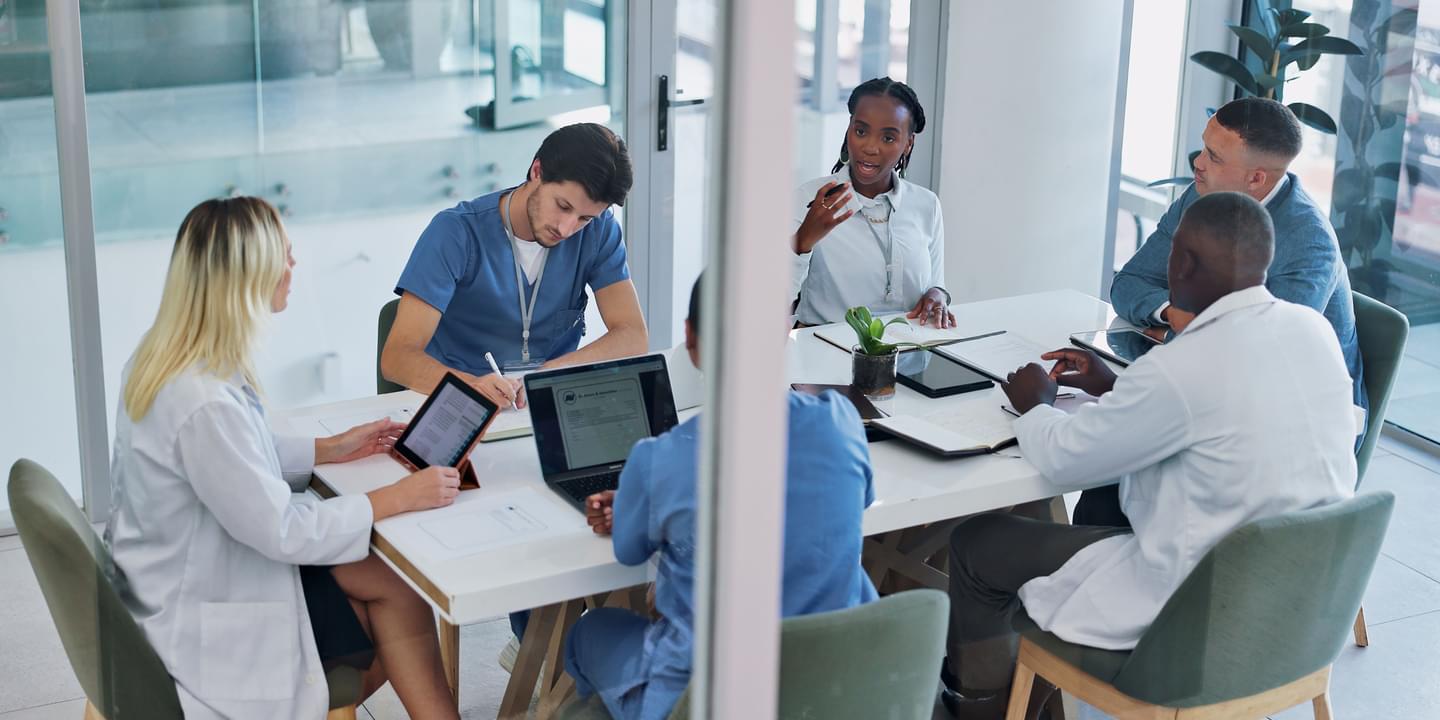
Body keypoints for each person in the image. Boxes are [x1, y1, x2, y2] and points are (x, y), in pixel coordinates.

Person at [939, 192, 1357, 719]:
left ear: (1178, 262)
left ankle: (974, 708)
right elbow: (1221, 412)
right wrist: (1120, 386)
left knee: (979, 544)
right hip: (1296, 614)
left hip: (1192, 627)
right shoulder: (1312, 330)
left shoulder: (1183, 366)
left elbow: (1066, 459)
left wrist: (1035, 405)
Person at [106, 198, 462, 719]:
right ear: (250, 276)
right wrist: (397, 496)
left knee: (394, 587)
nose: (294, 267)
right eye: (286, 256)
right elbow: (282, 531)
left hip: (182, 570)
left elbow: (233, 460)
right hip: (200, 609)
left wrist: (330, 448)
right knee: (392, 614)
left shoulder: (168, 356)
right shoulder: (202, 400)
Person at [563, 275, 878, 720]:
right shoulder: (839, 421)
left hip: (706, 696)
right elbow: (859, 501)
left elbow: (629, 551)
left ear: (689, 339)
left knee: (589, 631)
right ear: (784, 334)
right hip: (834, 681)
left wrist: (643, 497)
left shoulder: (659, 459)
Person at [1093, 96, 1364, 528]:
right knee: (1109, 463)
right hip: (1217, 391)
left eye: (1214, 157)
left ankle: (1124, 576)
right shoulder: (1204, 194)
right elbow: (1129, 284)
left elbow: (1261, 355)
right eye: (1204, 147)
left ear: (1257, 178)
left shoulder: (1308, 244)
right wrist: (1170, 315)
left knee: (1113, 468)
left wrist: (1181, 337)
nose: (1198, 163)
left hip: (1292, 431)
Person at [383, 122, 648, 411]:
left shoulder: (598, 231)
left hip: (547, 403)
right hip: (459, 403)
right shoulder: (455, 233)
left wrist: (549, 374)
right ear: (537, 171)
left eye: (584, 218)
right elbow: (398, 357)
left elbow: (632, 335)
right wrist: (470, 386)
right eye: (562, 206)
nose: (567, 228)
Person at [791, 77, 953, 328]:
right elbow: (770, 301)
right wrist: (802, 243)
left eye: (888, 138)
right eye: (861, 131)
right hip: (824, 353)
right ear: (849, 130)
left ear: (908, 144)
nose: (870, 147)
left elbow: (936, 283)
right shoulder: (810, 198)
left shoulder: (926, 205)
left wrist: (938, 296)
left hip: (907, 354)